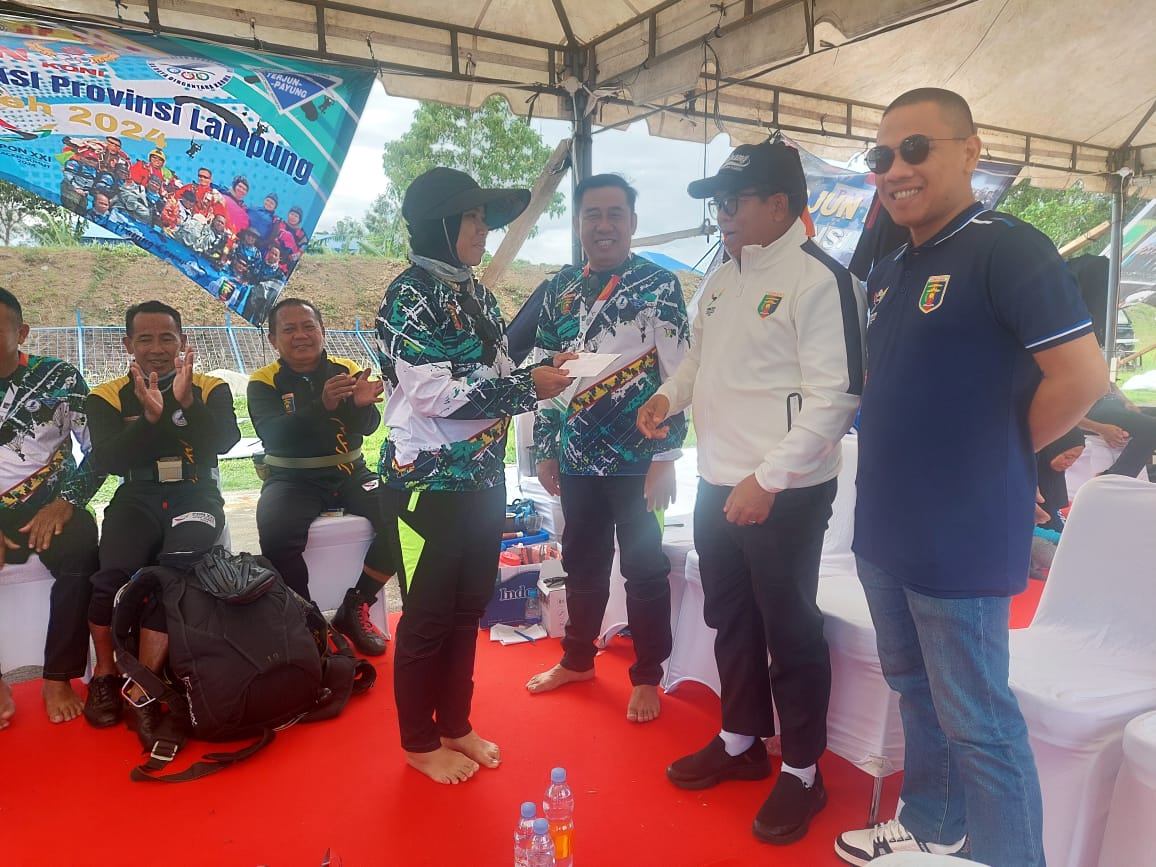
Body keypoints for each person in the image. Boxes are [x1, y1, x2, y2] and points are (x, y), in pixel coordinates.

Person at [834, 88, 1108, 867]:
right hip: (885, 528)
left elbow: (1083, 376)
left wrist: (999, 449)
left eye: (916, 148)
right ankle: (932, 827)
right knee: (914, 689)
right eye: (882, 155)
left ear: (970, 152)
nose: (896, 168)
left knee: (979, 721)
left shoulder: (1008, 248)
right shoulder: (894, 264)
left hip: (961, 535)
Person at [637, 139, 866, 845]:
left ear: (779, 204)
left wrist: (768, 480)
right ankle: (740, 739)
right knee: (730, 616)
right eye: (718, 202)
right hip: (717, 483)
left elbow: (838, 397)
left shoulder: (821, 279)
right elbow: (698, 363)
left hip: (784, 490)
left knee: (789, 627)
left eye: (733, 202)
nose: (722, 214)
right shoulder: (722, 277)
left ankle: (802, 768)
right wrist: (667, 398)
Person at [376, 167, 573, 785]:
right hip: (425, 485)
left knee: (466, 611)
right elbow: (436, 397)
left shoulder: (477, 296)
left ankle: (455, 723)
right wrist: (528, 387)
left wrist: (547, 367)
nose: (483, 228)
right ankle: (418, 742)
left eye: (485, 217)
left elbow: (499, 374)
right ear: (438, 223)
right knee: (427, 617)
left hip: (483, 481)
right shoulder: (408, 297)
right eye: (471, 216)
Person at [525, 173, 690, 724]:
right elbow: (546, 373)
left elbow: (679, 375)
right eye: (592, 214)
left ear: (632, 223)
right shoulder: (560, 288)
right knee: (582, 565)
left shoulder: (659, 286)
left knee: (644, 569)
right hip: (577, 456)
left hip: (639, 458)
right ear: (578, 224)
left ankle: (647, 674)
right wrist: (546, 448)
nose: (603, 225)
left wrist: (666, 458)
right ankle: (577, 659)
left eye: (614, 214)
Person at [82, 301, 241, 734]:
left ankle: (143, 686)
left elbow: (224, 441)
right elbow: (109, 459)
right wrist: (149, 420)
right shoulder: (106, 395)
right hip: (138, 494)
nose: (156, 348)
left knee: (175, 572)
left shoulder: (209, 387)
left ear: (182, 341)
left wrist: (187, 402)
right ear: (128, 344)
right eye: (145, 339)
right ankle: (105, 675)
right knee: (110, 576)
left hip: (196, 491)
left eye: (167, 338)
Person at [247, 297, 396, 656]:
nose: (300, 335)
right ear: (273, 340)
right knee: (276, 533)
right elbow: (273, 435)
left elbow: (369, 426)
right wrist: (322, 406)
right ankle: (308, 622)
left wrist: (360, 406)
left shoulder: (346, 369)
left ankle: (356, 605)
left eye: (308, 326)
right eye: (289, 329)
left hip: (350, 471)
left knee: (401, 519)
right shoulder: (263, 381)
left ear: (323, 331)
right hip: (290, 478)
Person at [0, 287, 102, 725]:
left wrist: (67, 502)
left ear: (21, 332)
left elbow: (99, 451)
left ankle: (58, 677)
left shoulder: (58, 378)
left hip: (52, 507)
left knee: (81, 553)